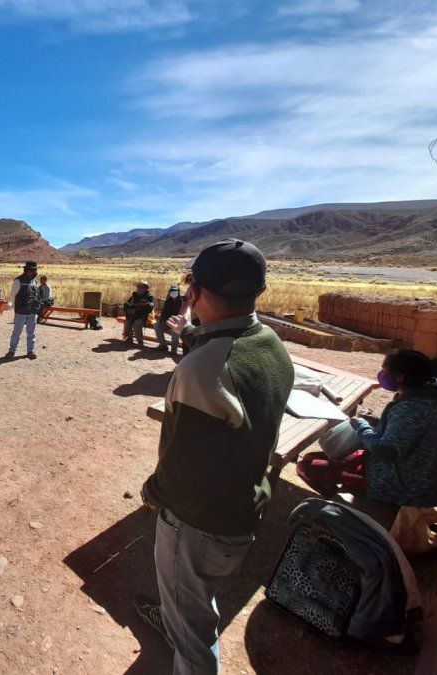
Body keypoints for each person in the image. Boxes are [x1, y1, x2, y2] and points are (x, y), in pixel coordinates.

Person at [135, 239, 294, 674]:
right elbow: (225, 351)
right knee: (194, 603)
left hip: (198, 524)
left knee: (194, 637)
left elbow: (182, 469)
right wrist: (188, 330)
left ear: (193, 291)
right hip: (245, 506)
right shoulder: (270, 346)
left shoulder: (201, 372)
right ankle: (175, 622)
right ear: (259, 293)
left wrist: (152, 492)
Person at [350, 350, 437, 507]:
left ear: (399, 377)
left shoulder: (412, 408)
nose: (381, 374)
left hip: (409, 491)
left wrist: (361, 426)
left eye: (385, 371)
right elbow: (407, 432)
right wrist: (376, 421)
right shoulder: (428, 398)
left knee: (316, 467)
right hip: (422, 482)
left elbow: (386, 451)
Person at [7, 261, 40, 359]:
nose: (34, 272)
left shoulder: (34, 282)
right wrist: (13, 307)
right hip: (21, 311)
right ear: (27, 270)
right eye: (32, 270)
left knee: (31, 332)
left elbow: (35, 295)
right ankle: (12, 351)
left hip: (32, 311)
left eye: (34, 270)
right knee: (17, 331)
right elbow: (13, 295)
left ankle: (30, 351)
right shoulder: (18, 281)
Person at [122, 281, 155, 347]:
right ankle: (129, 338)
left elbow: (150, 307)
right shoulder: (134, 295)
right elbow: (126, 304)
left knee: (137, 324)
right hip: (132, 315)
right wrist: (129, 309)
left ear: (146, 288)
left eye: (142, 287)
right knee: (127, 323)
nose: (140, 288)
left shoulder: (149, 296)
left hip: (143, 316)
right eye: (139, 287)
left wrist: (140, 307)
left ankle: (140, 341)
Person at [154, 284, 184, 353]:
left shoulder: (182, 301)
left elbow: (182, 314)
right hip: (169, 321)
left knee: (175, 329)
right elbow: (164, 312)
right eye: (172, 291)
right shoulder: (168, 300)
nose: (173, 293)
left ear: (178, 292)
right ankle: (163, 345)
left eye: (175, 291)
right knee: (157, 325)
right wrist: (162, 320)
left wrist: (173, 322)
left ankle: (174, 349)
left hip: (178, 322)